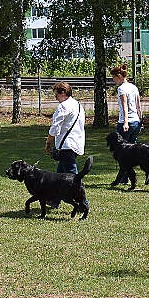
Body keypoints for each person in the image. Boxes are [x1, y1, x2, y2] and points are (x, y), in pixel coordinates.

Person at [45, 81, 87, 209]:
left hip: (66, 145)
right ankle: (54, 200)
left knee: (73, 177)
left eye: (56, 95)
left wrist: (48, 141)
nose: (56, 98)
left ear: (63, 93)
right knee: (60, 175)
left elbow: (55, 127)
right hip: (76, 143)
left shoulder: (63, 106)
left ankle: (83, 204)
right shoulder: (77, 105)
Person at [111, 64, 142, 184]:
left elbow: (125, 106)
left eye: (114, 78)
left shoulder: (121, 89)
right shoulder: (134, 87)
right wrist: (140, 120)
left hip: (126, 122)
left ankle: (125, 178)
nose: (113, 80)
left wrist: (125, 122)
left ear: (119, 76)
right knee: (132, 151)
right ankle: (128, 177)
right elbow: (138, 106)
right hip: (136, 122)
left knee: (122, 153)